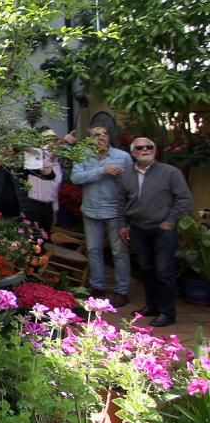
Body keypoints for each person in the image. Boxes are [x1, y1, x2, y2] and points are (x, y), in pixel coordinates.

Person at [114, 137, 191, 328]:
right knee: (146, 269)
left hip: (162, 229)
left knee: (164, 271)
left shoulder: (170, 172)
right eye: (140, 148)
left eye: (149, 147)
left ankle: (167, 312)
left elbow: (184, 199)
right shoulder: (126, 175)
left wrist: (170, 221)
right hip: (139, 228)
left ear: (155, 151)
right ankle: (153, 306)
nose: (145, 150)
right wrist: (123, 225)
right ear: (133, 153)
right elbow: (121, 202)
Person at [70, 126, 134, 307]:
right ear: (90, 139)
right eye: (96, 135)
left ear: (109, 137)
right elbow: (75, 178)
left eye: (104, 134)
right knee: (93, 250)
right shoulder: (83, 155)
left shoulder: (123, 157)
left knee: (119, 252)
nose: (101, 138)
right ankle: (97, 287)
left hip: (115, 211)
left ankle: (122, 291)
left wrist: (121, 176)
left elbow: (132, 183)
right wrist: (101, 170)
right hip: (91, 210)